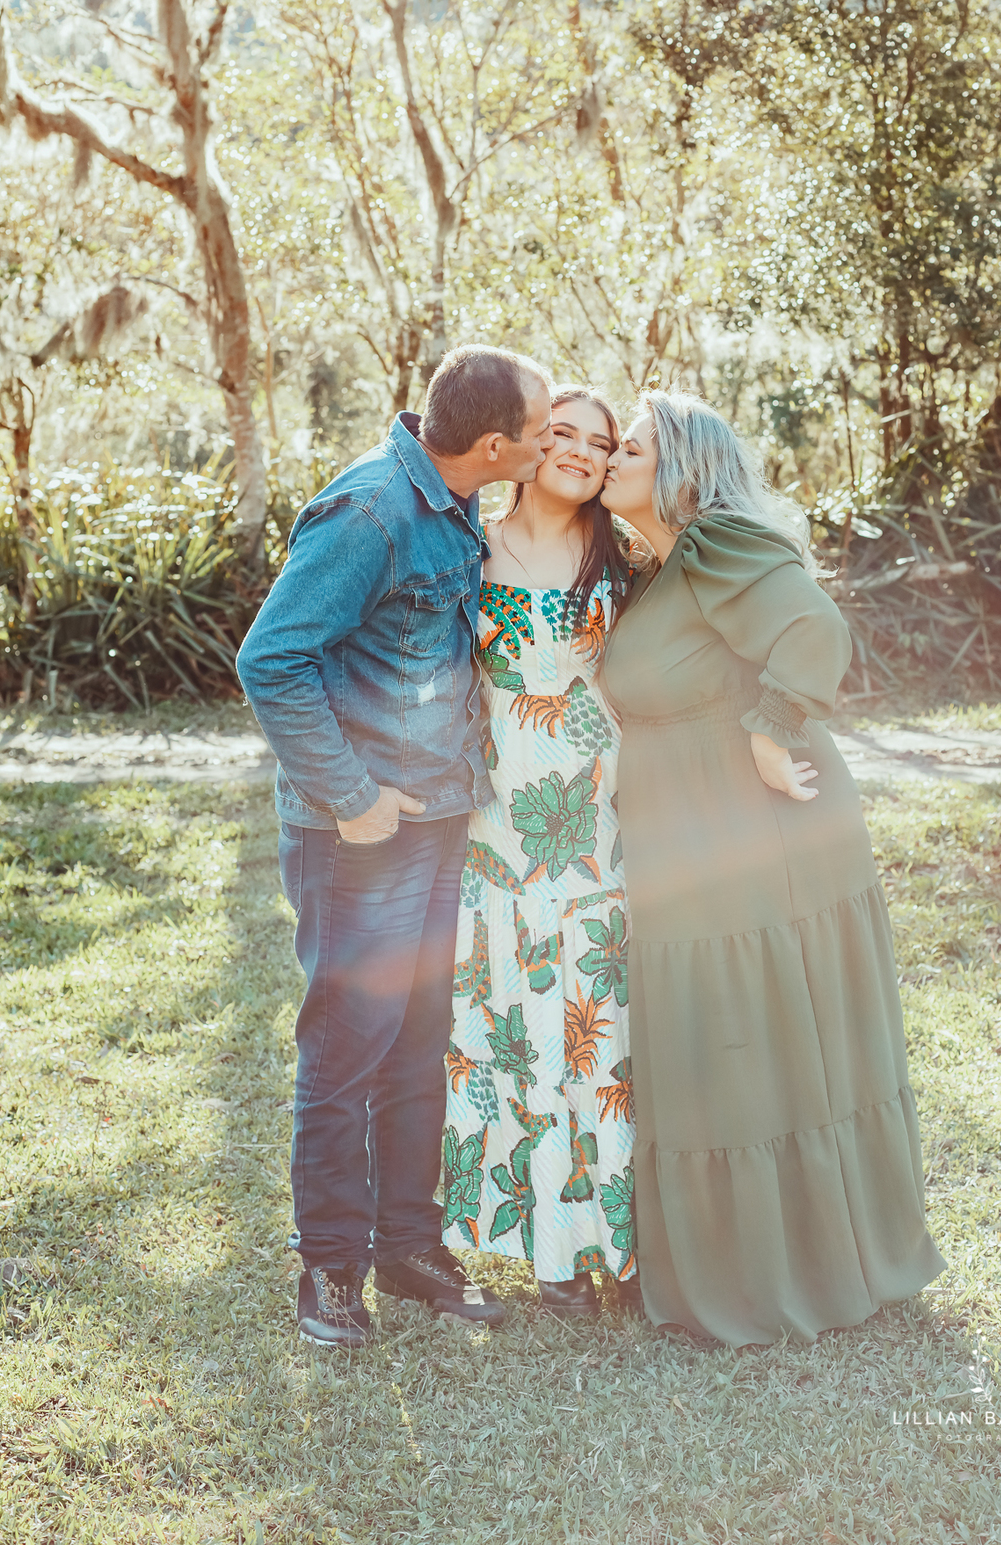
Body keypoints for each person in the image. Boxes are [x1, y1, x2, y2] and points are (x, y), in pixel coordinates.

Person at [598, 389, 945, 1346]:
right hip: (688, 833)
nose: (611, 456)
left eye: (630, 443)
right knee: (725, 1030)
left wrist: (771, 726)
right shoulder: (651, 571)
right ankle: (736, 1256)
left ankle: (806, 1263)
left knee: (762, 1025)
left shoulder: (715, 544)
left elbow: (813, 629)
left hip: (762, 822)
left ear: (683, 467)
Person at [236, 345, 554, 1347]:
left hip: (437, 822)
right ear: (495, 443)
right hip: (361, 835)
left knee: (420, 1039)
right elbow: (272, 658)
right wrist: (351, 794)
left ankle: (409, 1248)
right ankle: (328, 1271)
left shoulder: (454, 502)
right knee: (347, 1047)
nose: (548, 443)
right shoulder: (373, 510)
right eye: (540, 430)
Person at [440, 388, 641, 1318]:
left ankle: (622, 1246)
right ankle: (552, 1254)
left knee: (599, 1027)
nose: (581, 452)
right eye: (562, 431)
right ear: (526, 442)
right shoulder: (465, 544)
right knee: (522, 1019)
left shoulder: (622, 554)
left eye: (600, 444)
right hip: (502, 814)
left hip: (596, 814)